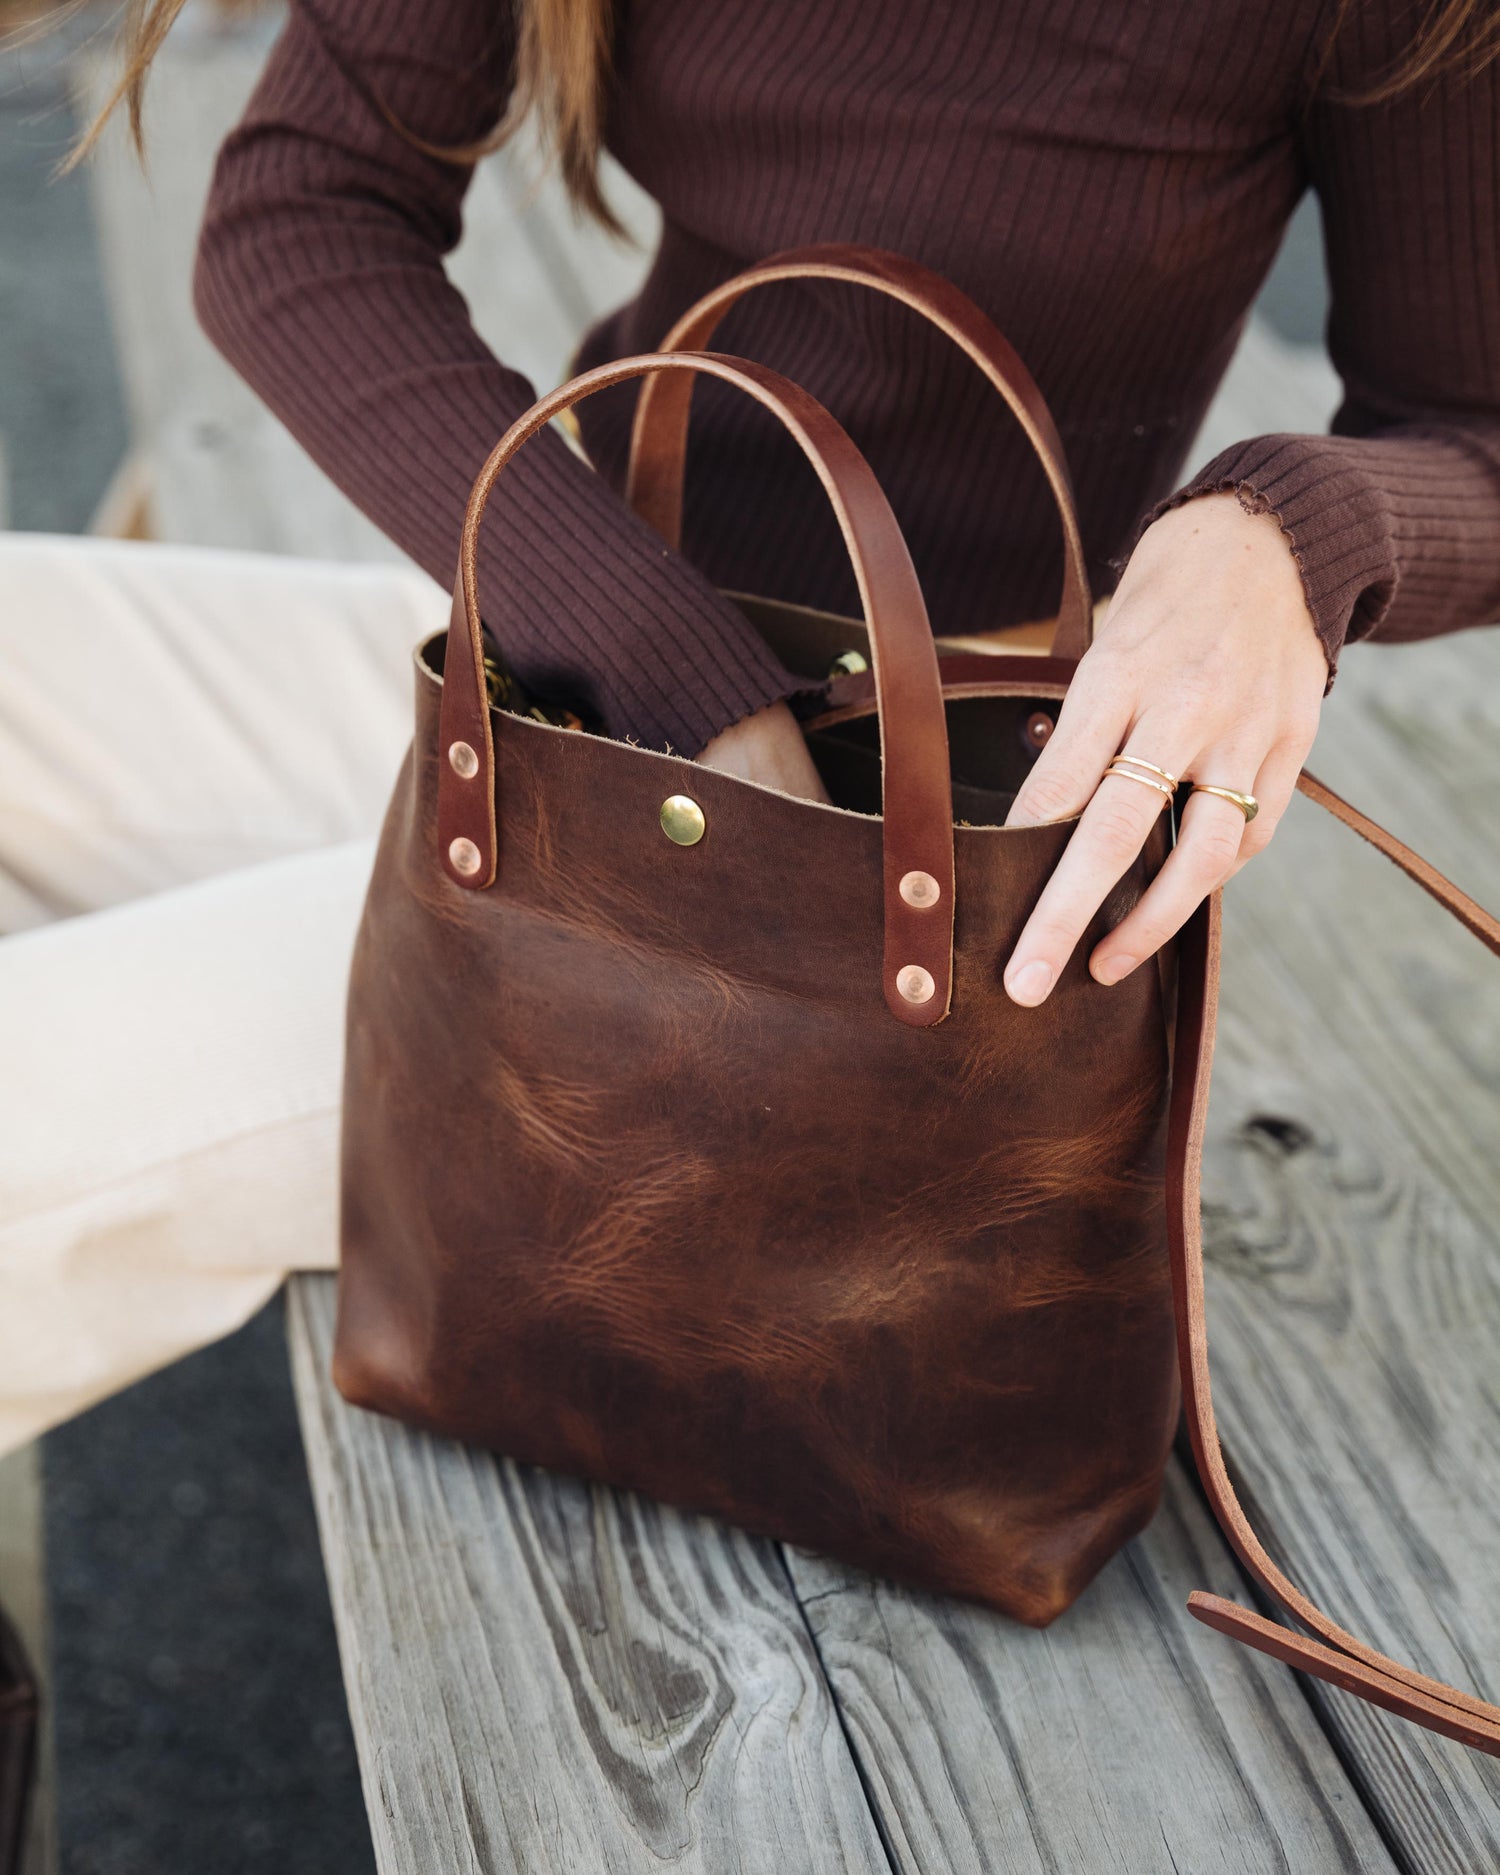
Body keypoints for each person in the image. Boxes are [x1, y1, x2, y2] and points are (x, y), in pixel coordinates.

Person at [1, 0, 1496, 1448]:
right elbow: (302, 209)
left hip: (885, 884)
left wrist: (1298, 532)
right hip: (571, 669)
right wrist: (678, 681)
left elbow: (1471, 431)